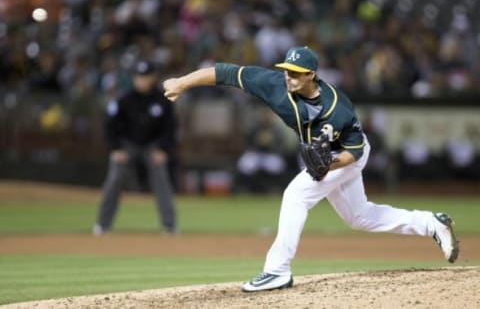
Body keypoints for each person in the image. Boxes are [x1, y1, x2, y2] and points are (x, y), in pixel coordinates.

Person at [162, 47, 459, 292]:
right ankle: (432, 223)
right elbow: (224, 73)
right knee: (359, 216)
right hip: (328, 156)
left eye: (296, 73)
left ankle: (277, 270)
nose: (288, 77)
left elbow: (355, 151)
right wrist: (181, 83)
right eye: (287, 70)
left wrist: (328, 163)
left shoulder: (338, 108)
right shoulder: (273, 84)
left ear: (312, 75)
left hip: (346, 155)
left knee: (295, 195)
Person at [94, 60, 177, 235]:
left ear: (153, 77)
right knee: (115, 177)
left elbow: (170, 128)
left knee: (161, 176)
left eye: (145, 77)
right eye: (138, 77)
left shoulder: (163, 100)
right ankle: (102, 224)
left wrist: (163, 149)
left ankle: (169, 225)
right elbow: (109, 126)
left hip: (152, 146)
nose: (141, 80)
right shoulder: (123, 100)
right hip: (127, 145)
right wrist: (115, 148)